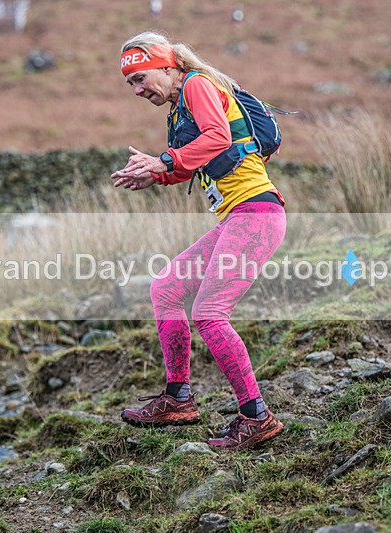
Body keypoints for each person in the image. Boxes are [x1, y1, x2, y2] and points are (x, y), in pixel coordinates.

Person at [111, 31, 287, 450]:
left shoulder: (197, 85)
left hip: (256, 214)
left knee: (209, 313)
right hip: (235, 219)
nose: (137, 90)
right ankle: (179, 399)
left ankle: (256, 417)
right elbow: (193, 164)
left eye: (140, 78)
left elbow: (218, 139)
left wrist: (164, 159)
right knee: (166, 289)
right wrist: (153, 172)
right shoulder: (179, 107)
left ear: (167, 65)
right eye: (130, 84)